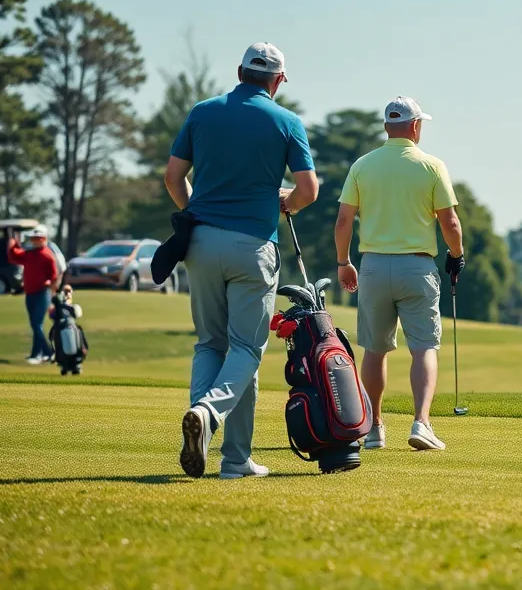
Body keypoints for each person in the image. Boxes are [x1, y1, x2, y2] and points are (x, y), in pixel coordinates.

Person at [165, 42, 319, 479]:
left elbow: (174, 177)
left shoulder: (202, 111)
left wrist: (195, 209)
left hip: (201, 242)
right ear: (279, 80)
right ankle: (208, 415)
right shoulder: (287, 122)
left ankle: (234, 459)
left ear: (239, 71)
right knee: (247, 349)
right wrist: (287, 203)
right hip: (252, 247)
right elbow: (308, 190)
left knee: (212, 346)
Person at [334, 96, 464, 452]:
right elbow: (449, 222)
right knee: (424, 348)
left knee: (374, 350)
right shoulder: (432, 166)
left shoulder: (363, 165)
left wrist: (344, 262)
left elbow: (344, 220)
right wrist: (457, 255)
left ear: (387, 126)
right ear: (415, 125)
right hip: (417, 267)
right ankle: (421, 422)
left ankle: (375, 427)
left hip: (374, 266)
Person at [6, 226, 59, 365]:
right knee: (36, 325)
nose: (35, 241)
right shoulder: (30, 254)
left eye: (38, 239)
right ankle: (37, 354)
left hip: (43, 293)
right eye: (33, 239)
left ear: (44, 239)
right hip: (30, 293)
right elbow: (14, 257)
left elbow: (54, 276)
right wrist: (12, 244)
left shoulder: (47, 255)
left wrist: (50, 288)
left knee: (36, 324)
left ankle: (48, 352)